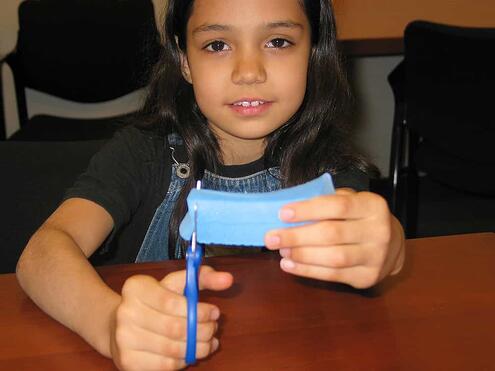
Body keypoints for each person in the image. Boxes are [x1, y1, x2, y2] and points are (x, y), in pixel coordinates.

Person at [16, 0, 405, 369]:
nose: (248, 71)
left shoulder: (329, 169)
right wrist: (109, 324)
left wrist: (388, 243)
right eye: (217, 45)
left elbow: (370, 239)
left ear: (312, 53)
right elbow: (42, 253)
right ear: (185, 61)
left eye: (278, 42)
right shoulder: (144, 154)